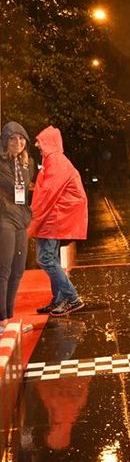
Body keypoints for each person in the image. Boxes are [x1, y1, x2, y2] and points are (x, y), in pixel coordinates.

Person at [27, 126, 88, 317]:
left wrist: (32, 215)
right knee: (51, 259)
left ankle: (72, 298)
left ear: (48, 143)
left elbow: (47, 193)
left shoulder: (55, 161)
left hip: (53, 218)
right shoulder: (53, 160)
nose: (37, 146)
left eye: (40, 142)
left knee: (45, 259)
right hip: (52, 217)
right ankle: (59, 299)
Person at [0, 123, 35, 329]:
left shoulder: (27, 162)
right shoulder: (2, 162)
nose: (18, 142)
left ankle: (9, 316)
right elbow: (12, 188)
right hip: (4, 219)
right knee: (3, 270)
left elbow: (24, 190)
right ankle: (1, 319)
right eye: (12, 138)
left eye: (21, 138)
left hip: (21, 219)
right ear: (5, 140)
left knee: (18, 270)